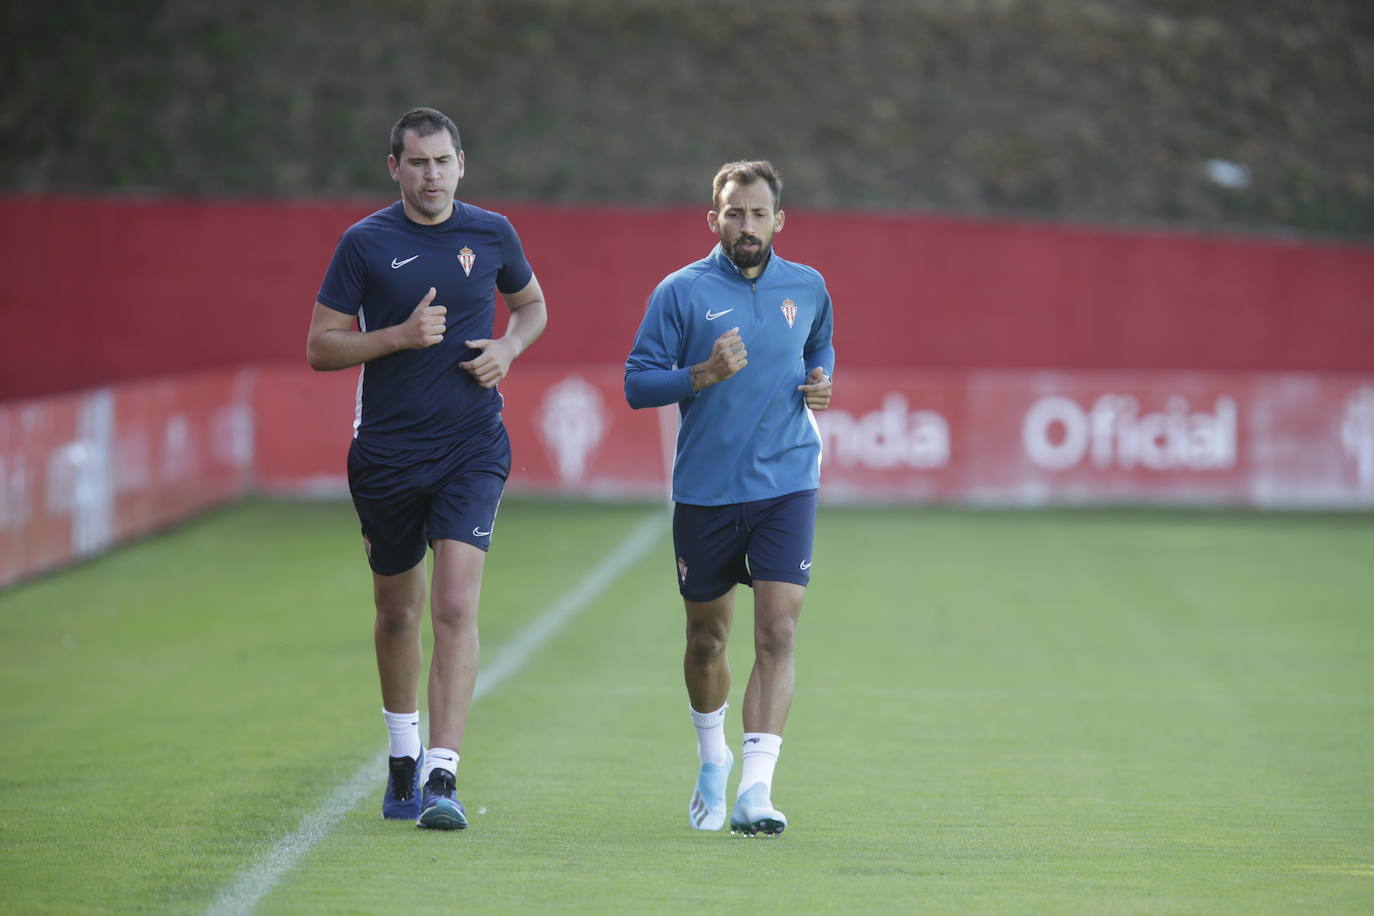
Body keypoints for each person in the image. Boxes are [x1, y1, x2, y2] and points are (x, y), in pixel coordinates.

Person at [306, 107, 547, 830]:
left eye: (442, 161)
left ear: (461, 164)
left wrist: (508, 350)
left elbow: (532, 308)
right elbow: (320, 346)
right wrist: (399, 337)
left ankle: (443, 774)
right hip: (384, 454)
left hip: (472, 446)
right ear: (395, 168)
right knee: (397, 612)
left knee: (454, 607)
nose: (431, 174)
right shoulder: (365, 243)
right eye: (417, 162)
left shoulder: (493, 232)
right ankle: (403, 754)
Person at [624, 160, 835, 836]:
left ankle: (756, 791)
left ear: (780, 219)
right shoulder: (680, 292)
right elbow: (636, 384)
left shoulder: (808, 286)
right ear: (713, 219)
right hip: (707, 494)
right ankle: (712, 759)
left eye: (758, 213)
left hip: (787, 483)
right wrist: (702, 373)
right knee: (707, 642)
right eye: (734, 213)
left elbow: (820, 344)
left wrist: (823, 379)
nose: (746, 225)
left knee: (778, 632)